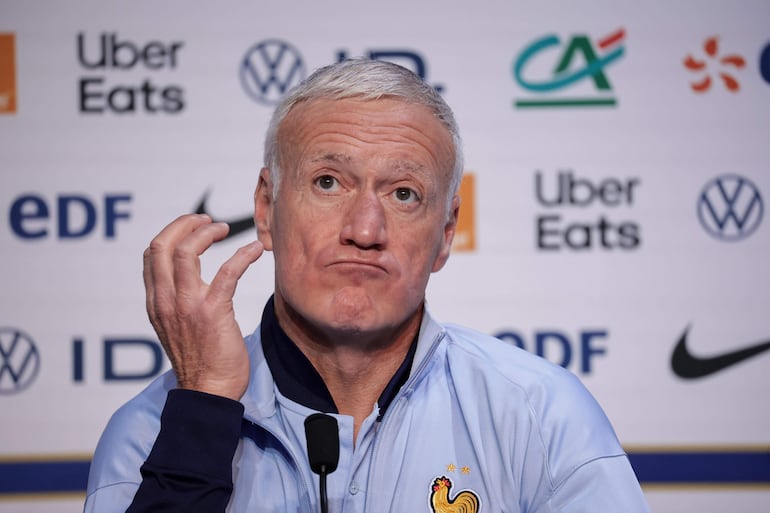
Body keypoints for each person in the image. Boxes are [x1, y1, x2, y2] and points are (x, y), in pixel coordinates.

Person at [84, 58, 651, 513]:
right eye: (328, 182)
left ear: (447, 233)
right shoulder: (156, 428)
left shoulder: (542, 415)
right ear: (265, 207)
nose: (364, 230)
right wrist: (204, 408)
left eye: (403, 194)